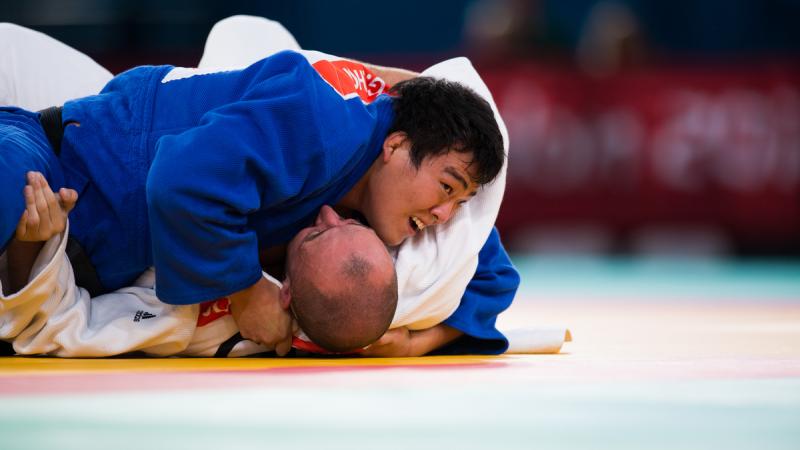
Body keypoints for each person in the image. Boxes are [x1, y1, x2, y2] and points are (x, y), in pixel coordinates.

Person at [0, 18, 519, 357]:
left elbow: (490, 274)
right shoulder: (324, 124)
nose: (446, 215)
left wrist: (419, 343)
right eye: (448, 187)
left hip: (90, 249)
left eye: (461, 201)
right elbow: (180, 179)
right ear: (397, 145)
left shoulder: (402, 195)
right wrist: (245, 289)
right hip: (58, 157)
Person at [1, 173, 397, 356]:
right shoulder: (373, 288)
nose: (327, 212)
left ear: (287, 290)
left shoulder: (190, 319)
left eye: (316, 235)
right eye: (350, 222)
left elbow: (55, 329)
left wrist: (29, 244)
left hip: (66, 193)